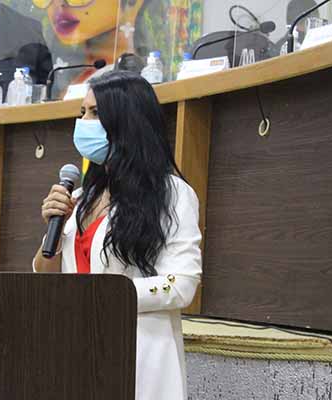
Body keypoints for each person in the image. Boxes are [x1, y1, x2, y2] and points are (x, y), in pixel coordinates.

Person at [33, 71, 202, 400]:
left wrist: (100, 296)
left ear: (127, 121)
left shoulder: (172, 194)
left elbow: (182, 285)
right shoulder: (80, 197)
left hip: (136, 354)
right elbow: (48, 274)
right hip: (75, 347)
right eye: (82, 112)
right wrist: (53, 228)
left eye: (95, 113)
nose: (84, 122)